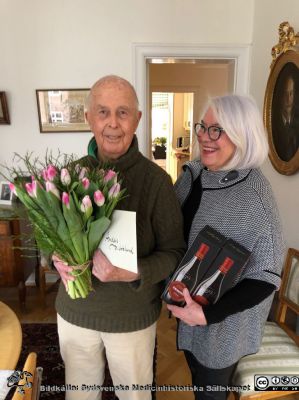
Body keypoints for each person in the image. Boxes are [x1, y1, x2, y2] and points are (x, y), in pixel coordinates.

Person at [53, 75, 185, 400]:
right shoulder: (71, 175)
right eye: (103, 112)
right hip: (75, 312)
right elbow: (51, 238)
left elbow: (174, 251)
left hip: (131, 319)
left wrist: (137, 271)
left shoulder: (157, 182)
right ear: (88, 118)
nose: (113, 123)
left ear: (138, 119)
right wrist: (54, 259)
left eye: (123, 112)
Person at [167, 94, 285, 400]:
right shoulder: (193, 176)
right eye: (203, 127)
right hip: (189, 312)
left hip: (222, 330)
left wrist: (208, 315)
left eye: (217, 130)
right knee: (197, 381)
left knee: (209, 394)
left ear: (242, 135)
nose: (205, 137)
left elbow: (267, 277)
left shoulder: (255, 197)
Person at [272, 73, 299, 161]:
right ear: (280, 95)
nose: (288, 99)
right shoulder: (272, 122)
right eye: (285, 93)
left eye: (291, 93)